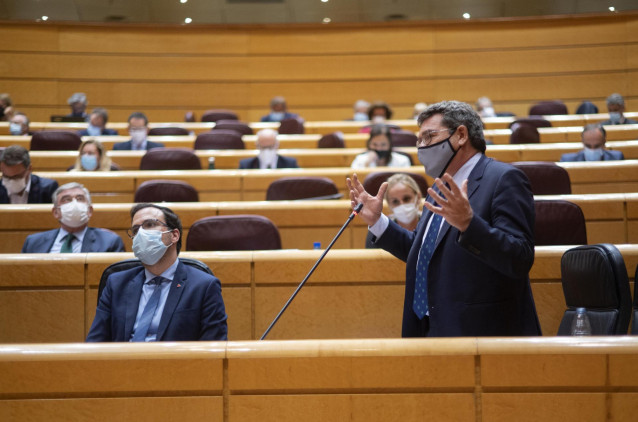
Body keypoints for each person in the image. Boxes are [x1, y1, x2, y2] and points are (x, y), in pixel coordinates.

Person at [347, 100, 541, 337]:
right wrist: (378, 222)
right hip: (431, 325)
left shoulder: (503, 178)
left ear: (461, 135)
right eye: (419, 140)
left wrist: (469, 224)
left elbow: (519, 258)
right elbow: (422, 251)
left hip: (482, 332)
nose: (422, 146)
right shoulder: (440, 187)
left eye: (429, 137)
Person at [86, 203, 228, 342]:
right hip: (122, 362)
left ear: (174, 235)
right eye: (136, 230)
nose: (141, 233)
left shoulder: (204, 286)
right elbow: (95, 343)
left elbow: (214, 349)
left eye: (150, 225)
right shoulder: (116, 284)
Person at [21, 183, 125, 253]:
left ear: (90, 211)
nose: (74, 203)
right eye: (66, 200)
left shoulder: (110, 242)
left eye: (80, 199)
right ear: (56, 212)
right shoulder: (33, 243)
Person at [365, 174, 422, 248]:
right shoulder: (379, 230)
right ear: (389, 204)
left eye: (407, 199)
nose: (402, 205)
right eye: (395, 202)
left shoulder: (430, 224)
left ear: (418, 198)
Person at [560, 123, 624, 162]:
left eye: (597, 146)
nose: (592, 150)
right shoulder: (568, 161)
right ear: (582, 142)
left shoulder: (616, 158)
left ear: (604, 143)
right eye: (588, 146)